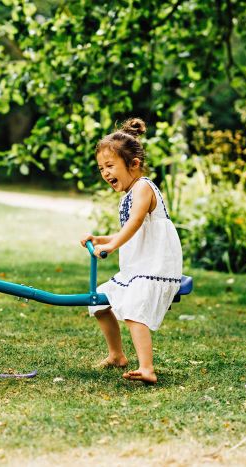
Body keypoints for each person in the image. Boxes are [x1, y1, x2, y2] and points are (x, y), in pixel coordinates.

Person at [81, 118, 183, 384]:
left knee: (134, 310)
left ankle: (147, 368)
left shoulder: (143, 188)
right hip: (137, 269)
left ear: (134, 164)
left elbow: (137, 221)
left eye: (110, 166)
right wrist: (102, 238)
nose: (105, 173)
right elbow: (130, 230)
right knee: (100, 302)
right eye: (101, 168)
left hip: (156, 267)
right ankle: (117, 356)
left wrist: (112, 246)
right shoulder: (128, 194)